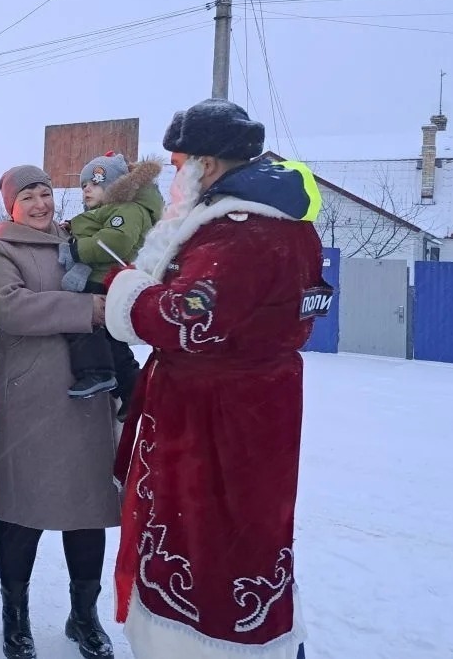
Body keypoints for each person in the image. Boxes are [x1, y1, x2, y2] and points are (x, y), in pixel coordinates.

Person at [104, 100, 330, 659]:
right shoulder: (286, 226)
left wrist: (126, 291)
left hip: (215, 424)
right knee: (249, 538)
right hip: (255, 412)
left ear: (206, 164)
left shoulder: (241, 233)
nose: (175, 175)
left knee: (209, 545)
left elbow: (183, 316)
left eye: (180, 163)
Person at [0, 165, 122, 659]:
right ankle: (15, 618)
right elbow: (10, 307)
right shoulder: (0, 250)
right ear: (11, 206)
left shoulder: (78, 241)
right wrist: (86, 309)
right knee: (23, 512)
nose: (40, 204)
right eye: (28, 197)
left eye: (44, 193)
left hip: (88, 396)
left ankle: (84, 616)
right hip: (28, 400)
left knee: (88, 511)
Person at [59, 151, 163, 408]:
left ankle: (97, 372)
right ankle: (132, 392)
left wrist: (78, 249)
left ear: (117, 187)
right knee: (112, 342)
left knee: (83, 323)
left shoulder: (128, 209)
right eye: (84, 185)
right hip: (105, 277)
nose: (87, 189)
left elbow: (116, 240)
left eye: (95, 184)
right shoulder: (110, 210)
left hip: (105, 278)